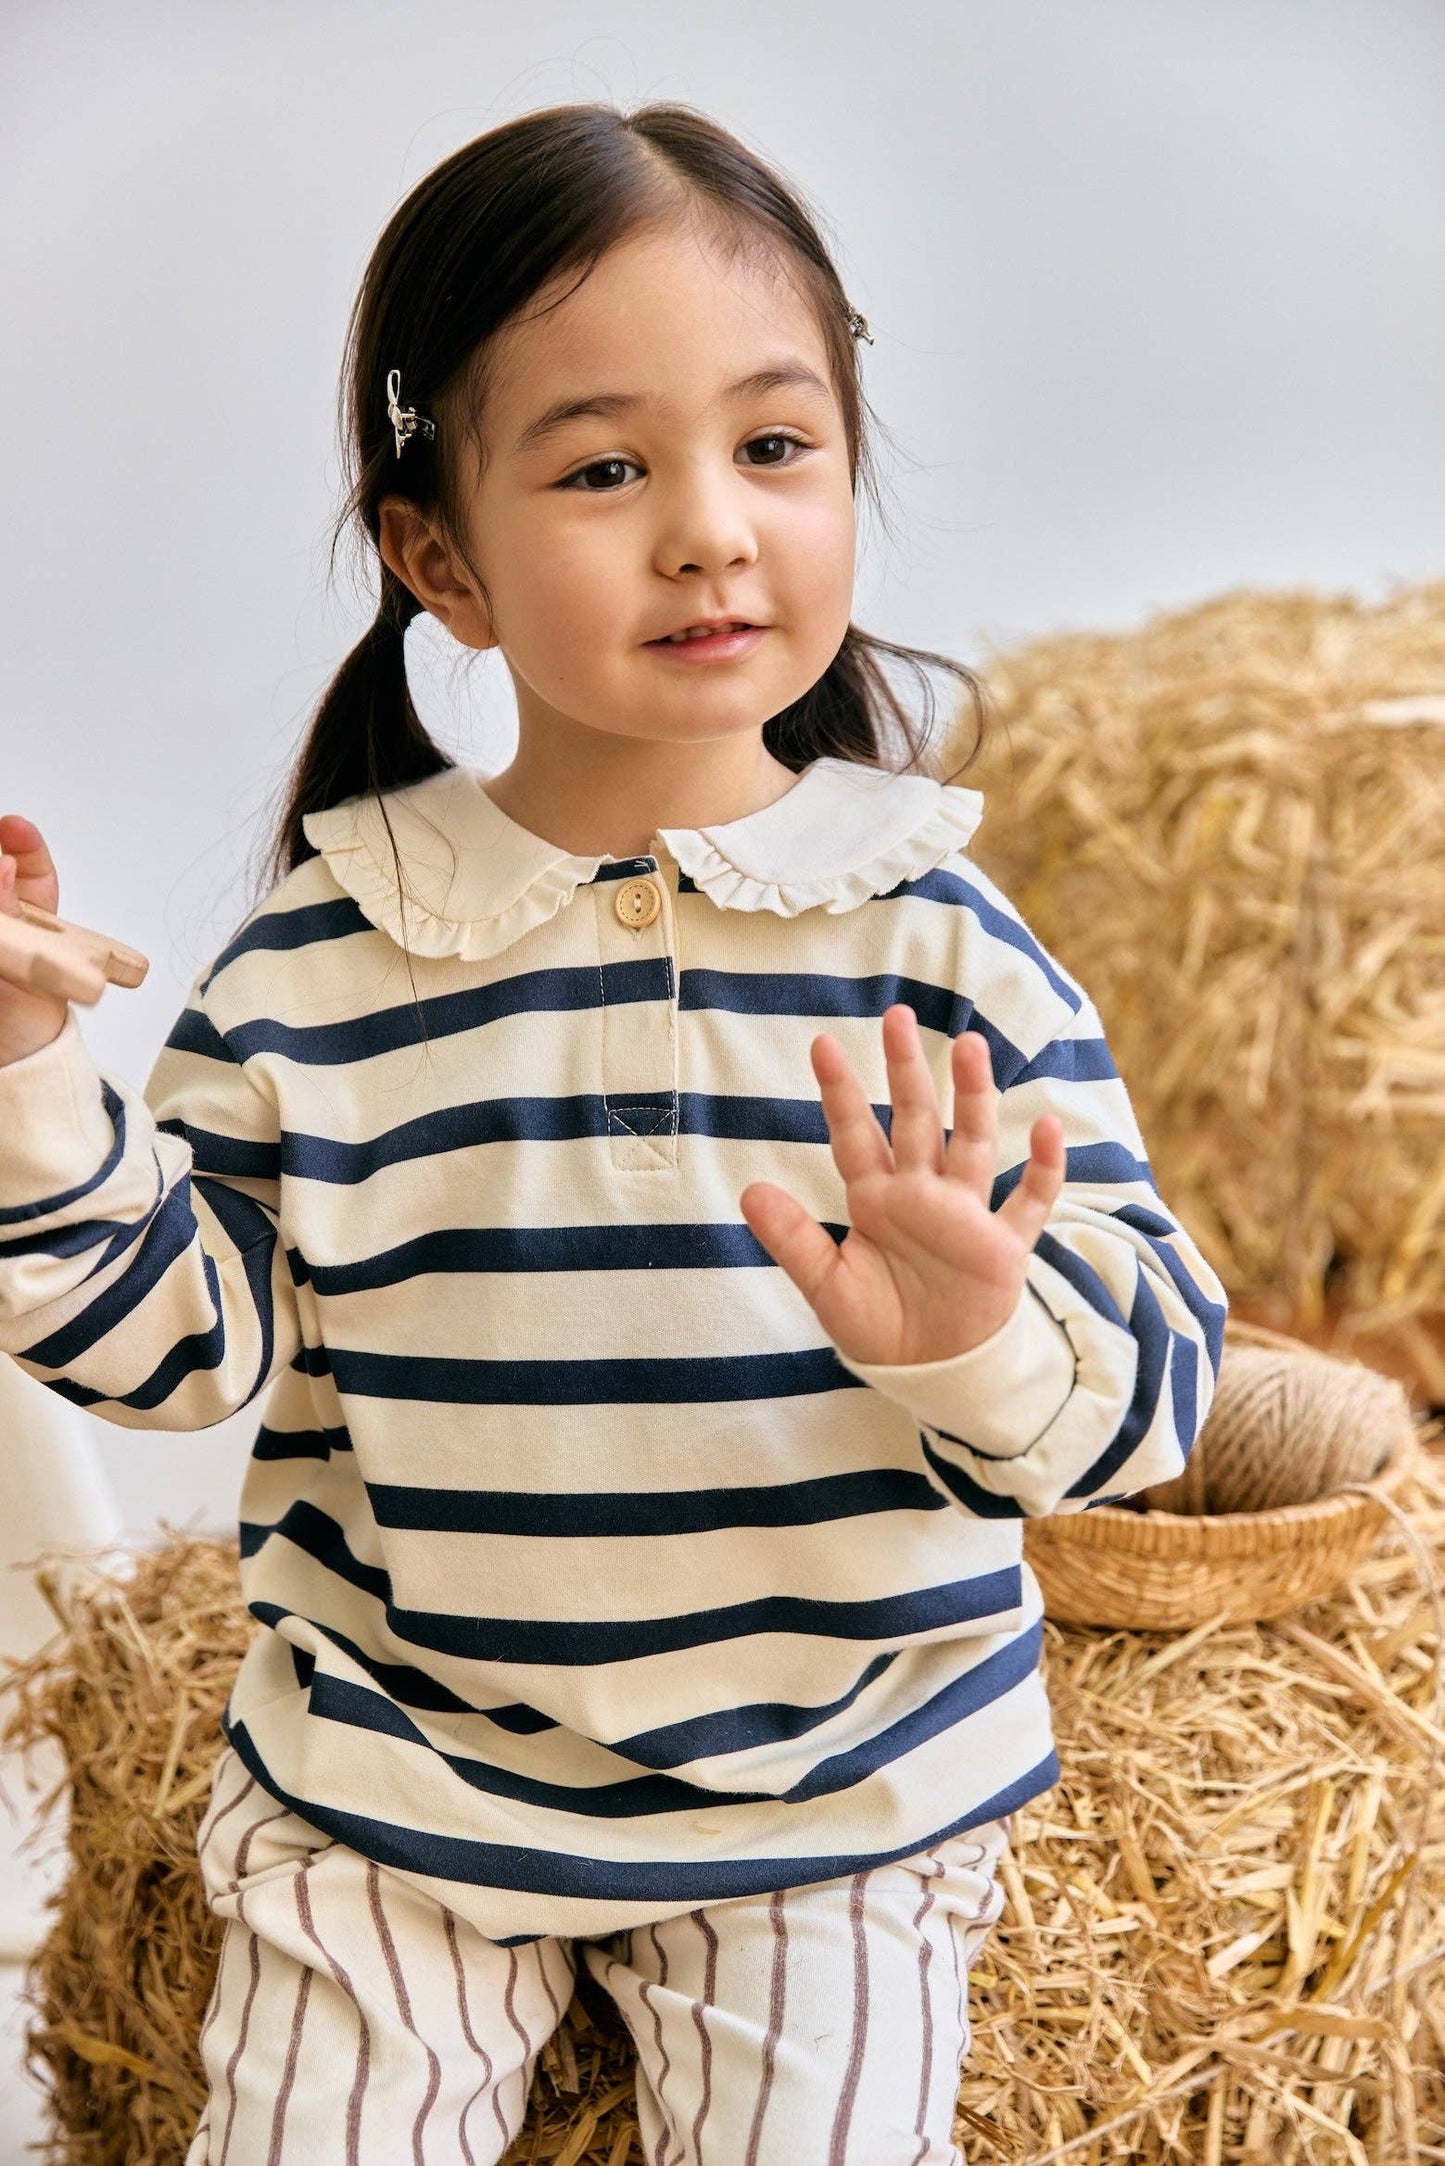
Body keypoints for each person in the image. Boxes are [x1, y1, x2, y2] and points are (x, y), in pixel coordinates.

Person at [0, 100, 1227, 2166]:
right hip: (399, 1787)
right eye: (601, 468)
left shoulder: (940, 936)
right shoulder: (329, 953)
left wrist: (967, 1335)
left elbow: (1156, 1399)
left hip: (842, 1796)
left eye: (773, 446)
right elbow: (177, 1349)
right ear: (443, 561)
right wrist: (34, 1081)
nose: (709, 529)